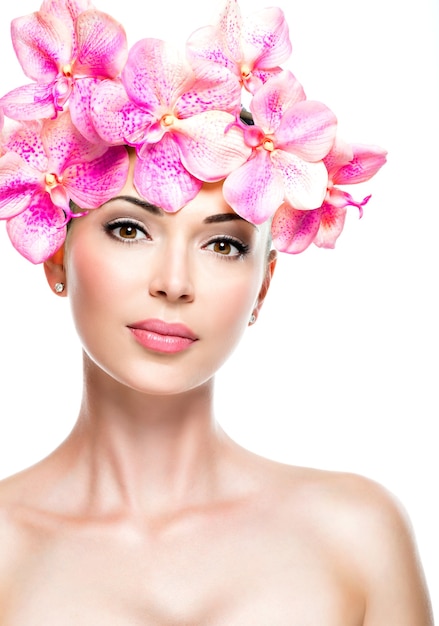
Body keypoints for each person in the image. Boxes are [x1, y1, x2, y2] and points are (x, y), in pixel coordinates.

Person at [0, 0, 434, 623]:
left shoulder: (357, 535)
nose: (174, 283)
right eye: (129, 230)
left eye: (223, 244)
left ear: (262, 288)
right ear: (55, 256)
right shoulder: (5, 552)